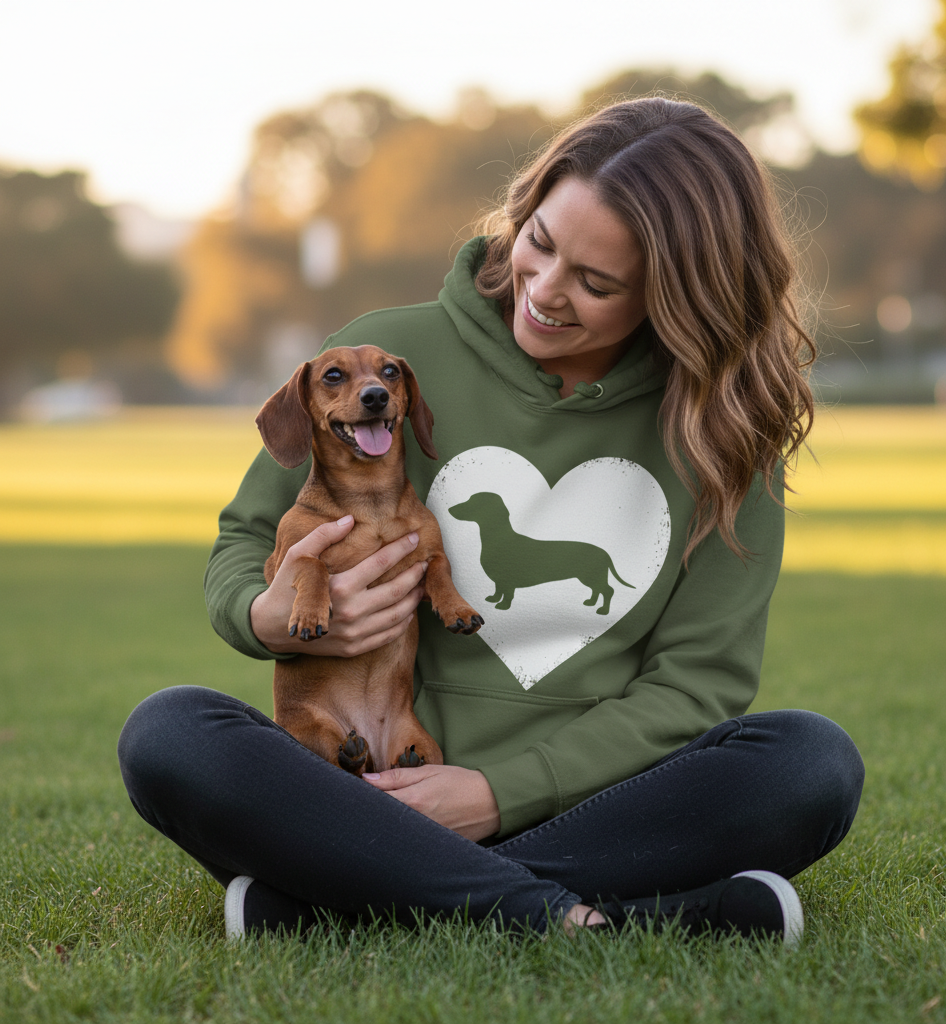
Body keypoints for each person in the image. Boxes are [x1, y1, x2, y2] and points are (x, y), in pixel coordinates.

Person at [118, 97, 864, 942]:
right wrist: (269, 615)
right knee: (169, 732)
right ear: (524, 212)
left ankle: (361, 902)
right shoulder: (381, 355)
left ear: (681, 297)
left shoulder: (731, 436)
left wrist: (496, 794)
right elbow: (246, 541)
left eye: (597, 282)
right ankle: (593, 916)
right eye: (541, 244)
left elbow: (698, 685)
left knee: (810, 762)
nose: (543, 291)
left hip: (596, 808)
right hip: (369, 794)